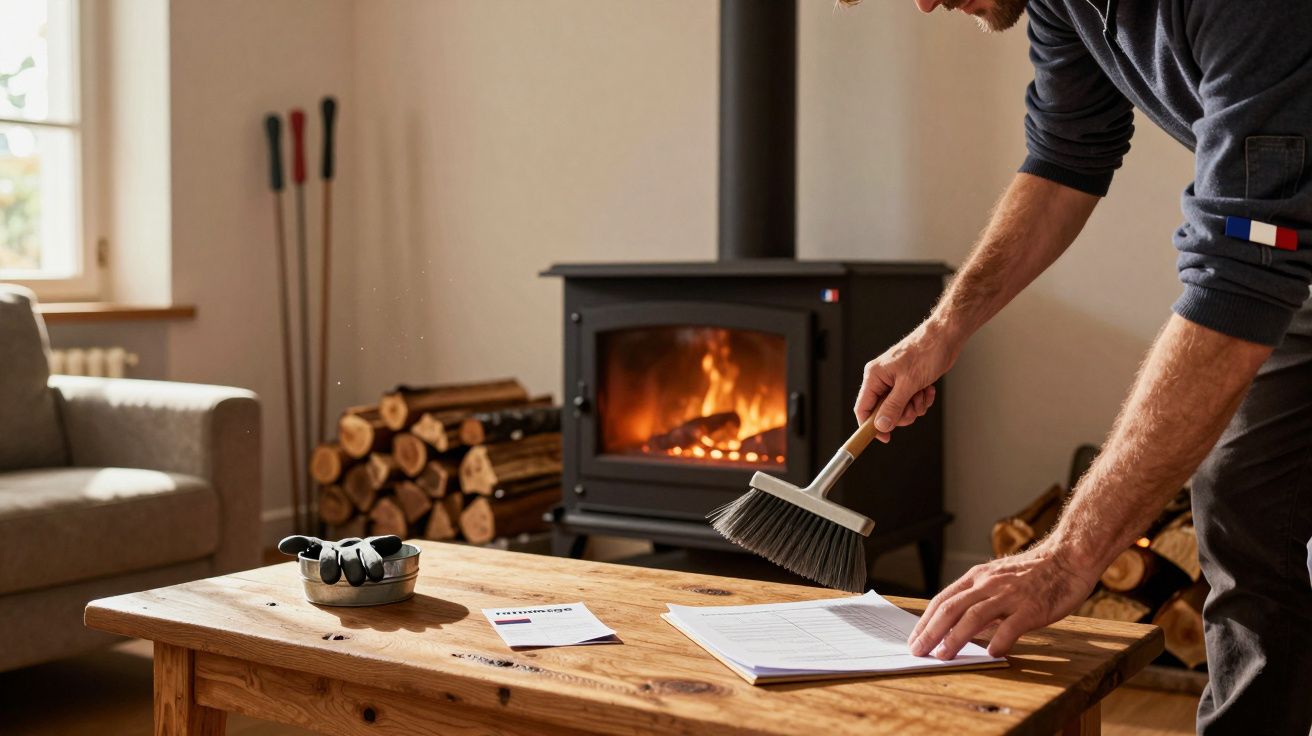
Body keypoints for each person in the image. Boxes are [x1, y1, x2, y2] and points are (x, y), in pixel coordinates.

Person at [844, 0, 1312, 732]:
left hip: (1276, 267)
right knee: (1244, 514)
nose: (926, 3)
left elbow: (1239, 275)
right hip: (1295, 274)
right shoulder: (1062, 5)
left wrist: (1066, 560)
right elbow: (1067, 156)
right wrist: (944, 329)